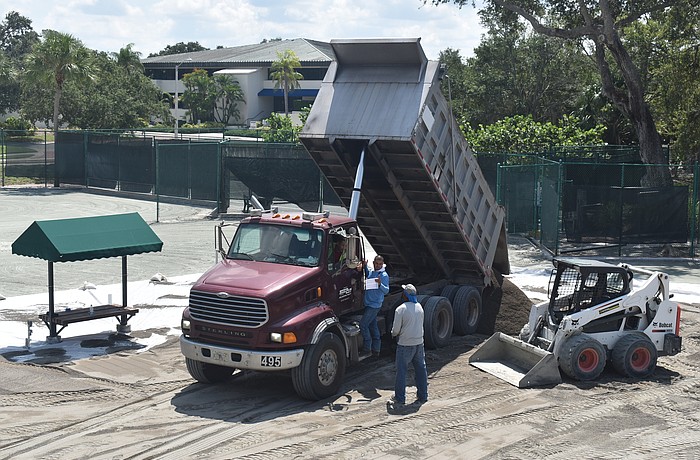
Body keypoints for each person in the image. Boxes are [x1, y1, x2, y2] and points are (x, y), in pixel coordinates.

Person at [389, 283, 428, 406]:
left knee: (401, 372)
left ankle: (400, 398)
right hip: (419, 343)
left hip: (405, 344)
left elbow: (395, 330)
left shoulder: (400, 309)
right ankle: (423, 395)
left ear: (405, 295)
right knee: (421, 370)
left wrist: (392, 334)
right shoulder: (419, 307)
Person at [359, 255, 389, 358]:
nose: (378, 265)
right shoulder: (372, 272)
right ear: (374, 263)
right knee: (372, 325)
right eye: (376, 263)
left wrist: (380, 284)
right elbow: (368, 275)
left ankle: (367, 348)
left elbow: (386, 290)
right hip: (368, 303)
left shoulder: (384, 275)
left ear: (382, 264)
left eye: (380, 264)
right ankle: (376, 349)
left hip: (375, 305)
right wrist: (365, 266)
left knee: (363, 325)